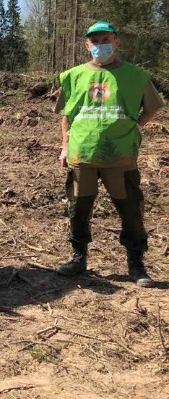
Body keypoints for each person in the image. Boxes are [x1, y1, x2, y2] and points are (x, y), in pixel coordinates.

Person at [55, 21, 164, 287]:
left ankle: (136, 265)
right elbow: (67, 114)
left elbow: (152, 107)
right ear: (87, 45)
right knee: (78, 209)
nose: (100, 45)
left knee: (130, 210)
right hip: (83, 155)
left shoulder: (136, 76)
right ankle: (78, 257)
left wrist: (137, 125)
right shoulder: (72, 76)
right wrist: (65, 146)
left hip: (121, 156)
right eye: (94, 41)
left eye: (106, 39)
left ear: (116, 42)